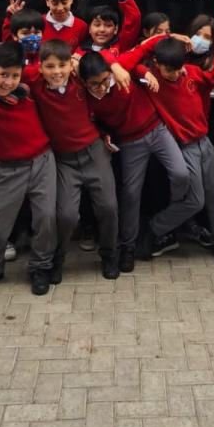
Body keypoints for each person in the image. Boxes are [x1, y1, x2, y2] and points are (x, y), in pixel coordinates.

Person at [117, 35, 214, 265]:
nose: (174, 74)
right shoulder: (151, 78)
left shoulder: (191, 72)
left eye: (177, 69)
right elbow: (129, 64)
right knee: (196, 200)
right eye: (168, 70)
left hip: (204, 140)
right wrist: (145, 72)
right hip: (183, 145)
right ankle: (155, 227)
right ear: (156, 64)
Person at [78, 51, 187, 273]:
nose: (100, 87)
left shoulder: (119, 75)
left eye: (104, 80)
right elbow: (93, 122)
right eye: (94, 84)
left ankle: (168, 221)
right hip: (129, 143)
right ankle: (127, 247)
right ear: (84, 82)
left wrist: (145, 72)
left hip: (156, 130)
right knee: (130, 194)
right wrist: (103, 132)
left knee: (181, 174)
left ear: (110, 72)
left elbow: (135, 62)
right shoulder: (86, 99)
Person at [0, 41, 58, 295]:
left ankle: (40, 267)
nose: (8, 82)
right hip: (7, 167)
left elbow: (33, 68)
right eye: (2, 75)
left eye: (14, 75)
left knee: (46, 218)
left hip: (42, 160)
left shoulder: (27, 84)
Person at [26, 39, 121, 282]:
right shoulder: (35, 82)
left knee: (108, 207)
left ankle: (109, 253)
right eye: (49, 67)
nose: (56, 72)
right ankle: (57, 259)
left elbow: (102, 57)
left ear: (71, 65)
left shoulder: (79, 80)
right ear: (40, 67)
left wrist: (114, 67)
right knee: (67, 215)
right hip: (63, 160)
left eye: (62, 65)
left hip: (94, 153)